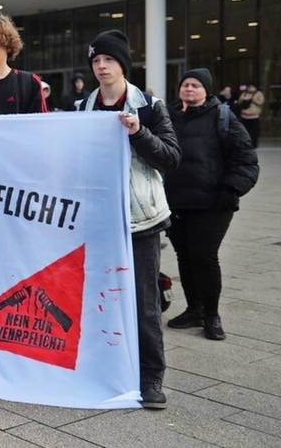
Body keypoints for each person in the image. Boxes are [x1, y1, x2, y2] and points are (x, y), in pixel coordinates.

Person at [77, 29, 180, 410]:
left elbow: (171, 156)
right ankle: (105, 367)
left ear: (123, 64)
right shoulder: (83, 108)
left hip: (141, 219)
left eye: (109, 59)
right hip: (98, 220)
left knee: (143, 301)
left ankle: (150, 376)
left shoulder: (148, 105)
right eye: (96, 60)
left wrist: (139, 133)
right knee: (98, 296)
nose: (102, 67)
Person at [163, 68, 258, 341]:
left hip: (213, 203)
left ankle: (212, 315)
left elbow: (246, 159)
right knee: (184, 256)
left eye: (196, 85)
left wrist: (232, 188)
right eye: (185, 85)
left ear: (207, 90)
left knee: (204, 256)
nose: (189, 89)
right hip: (176, 201)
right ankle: (194, 309)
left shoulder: (222, 116)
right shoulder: (168, 116)